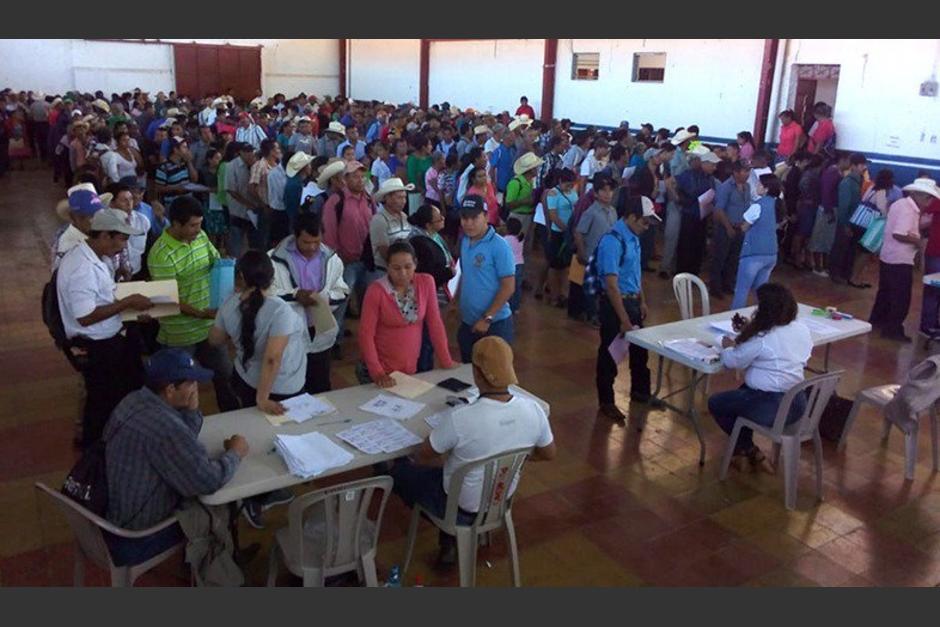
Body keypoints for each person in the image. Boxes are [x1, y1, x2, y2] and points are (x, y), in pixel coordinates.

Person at [388, 336, 555, 565]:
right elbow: (549, 453)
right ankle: (451, 539)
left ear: (477, 374)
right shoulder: (533, 409)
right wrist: (514, 457)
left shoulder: (462, 418)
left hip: (458, 507)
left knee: (400, 473)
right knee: (454, 471)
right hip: (500, 499)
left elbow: (424, 454)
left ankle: (449, 533)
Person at [102, 348, 249, 565]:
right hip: (138, 536)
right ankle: (222, 570)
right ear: (170, 389)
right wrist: (236, 452)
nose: (197, 387)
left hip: (112, 515)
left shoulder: (133, 400)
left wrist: (191, 410)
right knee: (220, 506)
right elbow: (208, 481)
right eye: (191, 383)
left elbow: (180, 443)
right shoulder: (166, 428)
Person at [208, 250, 303, 528]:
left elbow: (214, 340)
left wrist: (231, 337)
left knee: (255, 437)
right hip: (278, 388)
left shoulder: (229, 306)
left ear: (239, 278)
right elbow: (273, 358)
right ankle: (260, 495)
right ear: (271, 278)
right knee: (277, 436)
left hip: (246, 381)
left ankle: (257, 492)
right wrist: (264, 397)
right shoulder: (280, 310)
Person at [56, 208, 153, 447]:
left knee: (131, 384)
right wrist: (128, 303)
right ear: (105, 236)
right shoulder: (82, 268)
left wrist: (127, 309)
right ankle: (95, 450)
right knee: (102, 400)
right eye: (121, 239)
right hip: (97, 345)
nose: (123, 246)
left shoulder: (96, 256)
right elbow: (85, 316)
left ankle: (117, 437)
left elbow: (102, 298)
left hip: (112, 332)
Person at [148, 196, 239, 413]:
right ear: (175, 224)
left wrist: (226, 268)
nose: (198, 230)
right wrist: (200, 313)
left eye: (200, 224)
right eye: (193, 225)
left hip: (208, 326)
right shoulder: (160, 254)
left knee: (225, 375)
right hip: (180, 332)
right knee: (181, 387)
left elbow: (214, 261)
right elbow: (168, 299)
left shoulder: (201, 237)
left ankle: (233, 415)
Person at [708, 283, 812, 469]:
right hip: (797, 401)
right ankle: (744, 450)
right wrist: (750, 330)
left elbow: (733, 361)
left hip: (773, 406)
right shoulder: (801, 329)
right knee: (741, 395)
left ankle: (747, 448)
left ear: (766, 311)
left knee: (718, 403)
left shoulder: (763, 338)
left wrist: (727, 345)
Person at [595, 196, 660, 422]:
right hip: (616, 306)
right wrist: (623, 318)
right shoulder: (612, 241)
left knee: (640, 351)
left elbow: (635, 273)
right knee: (610, 355)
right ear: (632, 217)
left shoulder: (633, 237)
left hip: (632, 302)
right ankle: (607, 401)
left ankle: (641, 391)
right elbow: (611, 285)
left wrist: (642, 300)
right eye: (644, 222)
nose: (647, 226)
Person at [269, 212, 348, 394]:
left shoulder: (331, 259)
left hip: (320, 328)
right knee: (292, 387)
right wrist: (295, 295)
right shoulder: (274, 260)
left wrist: (324, 299)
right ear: (295, 236)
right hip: (289, 333)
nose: (312, 247)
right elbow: (268, 293)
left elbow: (341, 290)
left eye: (316, 242)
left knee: (320, 384)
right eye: (306, 242)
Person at [358, 241, 455, 385]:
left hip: (410, 367)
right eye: (396, 268)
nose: (402, 273)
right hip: (380, 369)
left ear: (415, 264)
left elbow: (435, 324)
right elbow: (366, 334)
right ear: (387, 267)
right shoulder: (376, 291)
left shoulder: (426, 282)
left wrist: (446, 360)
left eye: (408, 267)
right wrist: (377, 373)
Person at [870, 178, 940, 342]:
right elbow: (899, 233)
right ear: (919, 195)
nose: (929, 202)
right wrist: (919, 242)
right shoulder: (908, 210)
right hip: (900, 258)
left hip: (889, 256)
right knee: (901, 297)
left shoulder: (902, 204)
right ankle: (893, 329)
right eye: (928, 198)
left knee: (885, 293)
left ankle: (878, 321)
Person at [454, 195, 516, 362]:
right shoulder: (465, 241)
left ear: (486, 217)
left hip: (495, 324)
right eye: (464, 218)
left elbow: (508, 286)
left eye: (474, 218)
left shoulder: (499, 246)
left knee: (495, 376)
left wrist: (487, 317)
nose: (468, 223)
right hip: (468, 323)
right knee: (469, 374)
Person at [322, 160, 376, 341]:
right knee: (340, 302)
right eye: (355, 176)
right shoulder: (336, 201)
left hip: (366, 260)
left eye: (362, 176)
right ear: (345, 179)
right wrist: (337, 259)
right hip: (346, 262)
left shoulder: (368, 199)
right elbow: (329, 232)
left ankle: (367, 338)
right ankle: (334, 340)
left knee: (368, 301)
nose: (360, 180)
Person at [731, 174, 784, 309]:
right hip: (771, 252)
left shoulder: (758, 205)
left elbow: (745, 226)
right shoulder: (778, 204)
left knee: (742, 289)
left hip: (754, 253)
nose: (757, 186)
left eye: (760, 184)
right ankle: (761, 317)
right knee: (761, 291)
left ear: (766, 189)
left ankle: (734, 318)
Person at [574, 175, 619, 324]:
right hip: (592, 255)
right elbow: (579, 232)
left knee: (604, 285)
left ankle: (601, 312)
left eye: (610, 190)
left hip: (607, 255)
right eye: (603, 190)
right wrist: (581, 252)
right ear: (596, 193)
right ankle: (591, 314)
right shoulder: (591, 212)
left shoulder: (613, 211)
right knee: (591, 287)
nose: (607, 194)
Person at [710, 160, 751, 299]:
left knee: (734, 258)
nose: (747, 174)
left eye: (748, 171)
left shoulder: (747, 187)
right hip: (726, 227)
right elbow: (719, 209)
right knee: (720, 257)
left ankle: (728, 284)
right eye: (745, 171)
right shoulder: (725, 187)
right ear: (736, 172)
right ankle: (715, 287)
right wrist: (728, 227)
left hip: (740, 227)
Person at [674, 152, 718, 276]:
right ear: (704, 163)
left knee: (698, 245)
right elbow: (679, 188)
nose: (715, 168)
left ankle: (694, 272)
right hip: (689, 215)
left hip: (703, 216)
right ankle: (682, 273)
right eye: (713, 165)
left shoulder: (710, 178)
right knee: (686, 245)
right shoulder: (689, 175)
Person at [828, 153, 868, 286]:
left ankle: (845, 273)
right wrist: (845, 225)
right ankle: (835, 273)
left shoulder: (859, 181)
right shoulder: (848, 182)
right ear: (854, 166)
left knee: (849, 250)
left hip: (855, 222)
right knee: (840, 248)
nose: (864, 167)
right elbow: (844, 206)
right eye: (862, 165)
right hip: (847, 222)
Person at [808, 152, 850, 276]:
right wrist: (828, 210)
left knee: (826, 239)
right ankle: (817, 267)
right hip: (828, 209)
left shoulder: (836, 172)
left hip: (830, 208)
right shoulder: (833, 173)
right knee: (820, 238)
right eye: (848, 161)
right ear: (842, 160)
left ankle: (823, 266)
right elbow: (827, 192)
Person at [544, 168, 578, 307]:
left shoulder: (573, 191)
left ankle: (564, 294)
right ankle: (554, 295)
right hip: (558, 233)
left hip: (569, 232)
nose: (569, 187)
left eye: (571, 184)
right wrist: (566, 229)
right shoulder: (553, 193)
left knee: (566, 266)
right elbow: (553, 215)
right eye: (567, 184)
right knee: (554, 265)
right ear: (560, 181)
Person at [370, 177, 415, 274]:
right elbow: (384, 251)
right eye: (399, 197)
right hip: (385, 270)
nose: (403, 201)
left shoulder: (404, 216)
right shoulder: (379, 220)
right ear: (387, 198)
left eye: (404, 197)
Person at [224, 142, 257, 259]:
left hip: (253, 212)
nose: (250, 154)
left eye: (251, 151)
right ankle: (235, 268)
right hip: (238, 211)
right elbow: (232, 191)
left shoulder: (256, 165)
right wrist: (248, 204)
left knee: (253, 242)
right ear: (240, 152)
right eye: (247, 151)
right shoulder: (231, 166)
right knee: (236, 243)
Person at [154, 137, 197, 209]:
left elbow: (194, 179)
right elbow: (158, 188)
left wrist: (189, 162)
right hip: (173, 204)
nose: (187, 150)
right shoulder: (164, 167)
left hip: (188, 201)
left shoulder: (185, 164)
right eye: (184, 147)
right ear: (176, 150)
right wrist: (176, 188)